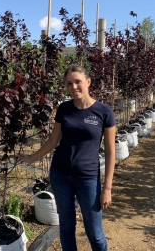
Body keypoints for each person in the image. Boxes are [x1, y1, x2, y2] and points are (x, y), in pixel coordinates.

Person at [17, 64, 116, 251]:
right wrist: (31, 158)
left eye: (78, 82)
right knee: (67, 225)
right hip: (60, 175)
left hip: (88, 178)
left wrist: (107, 188)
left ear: (88, 82)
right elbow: (53, 141)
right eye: (69, 84)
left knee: (95, 232)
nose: (74, 87)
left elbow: (111, 153)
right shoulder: (64, 109)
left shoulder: (104, 112)